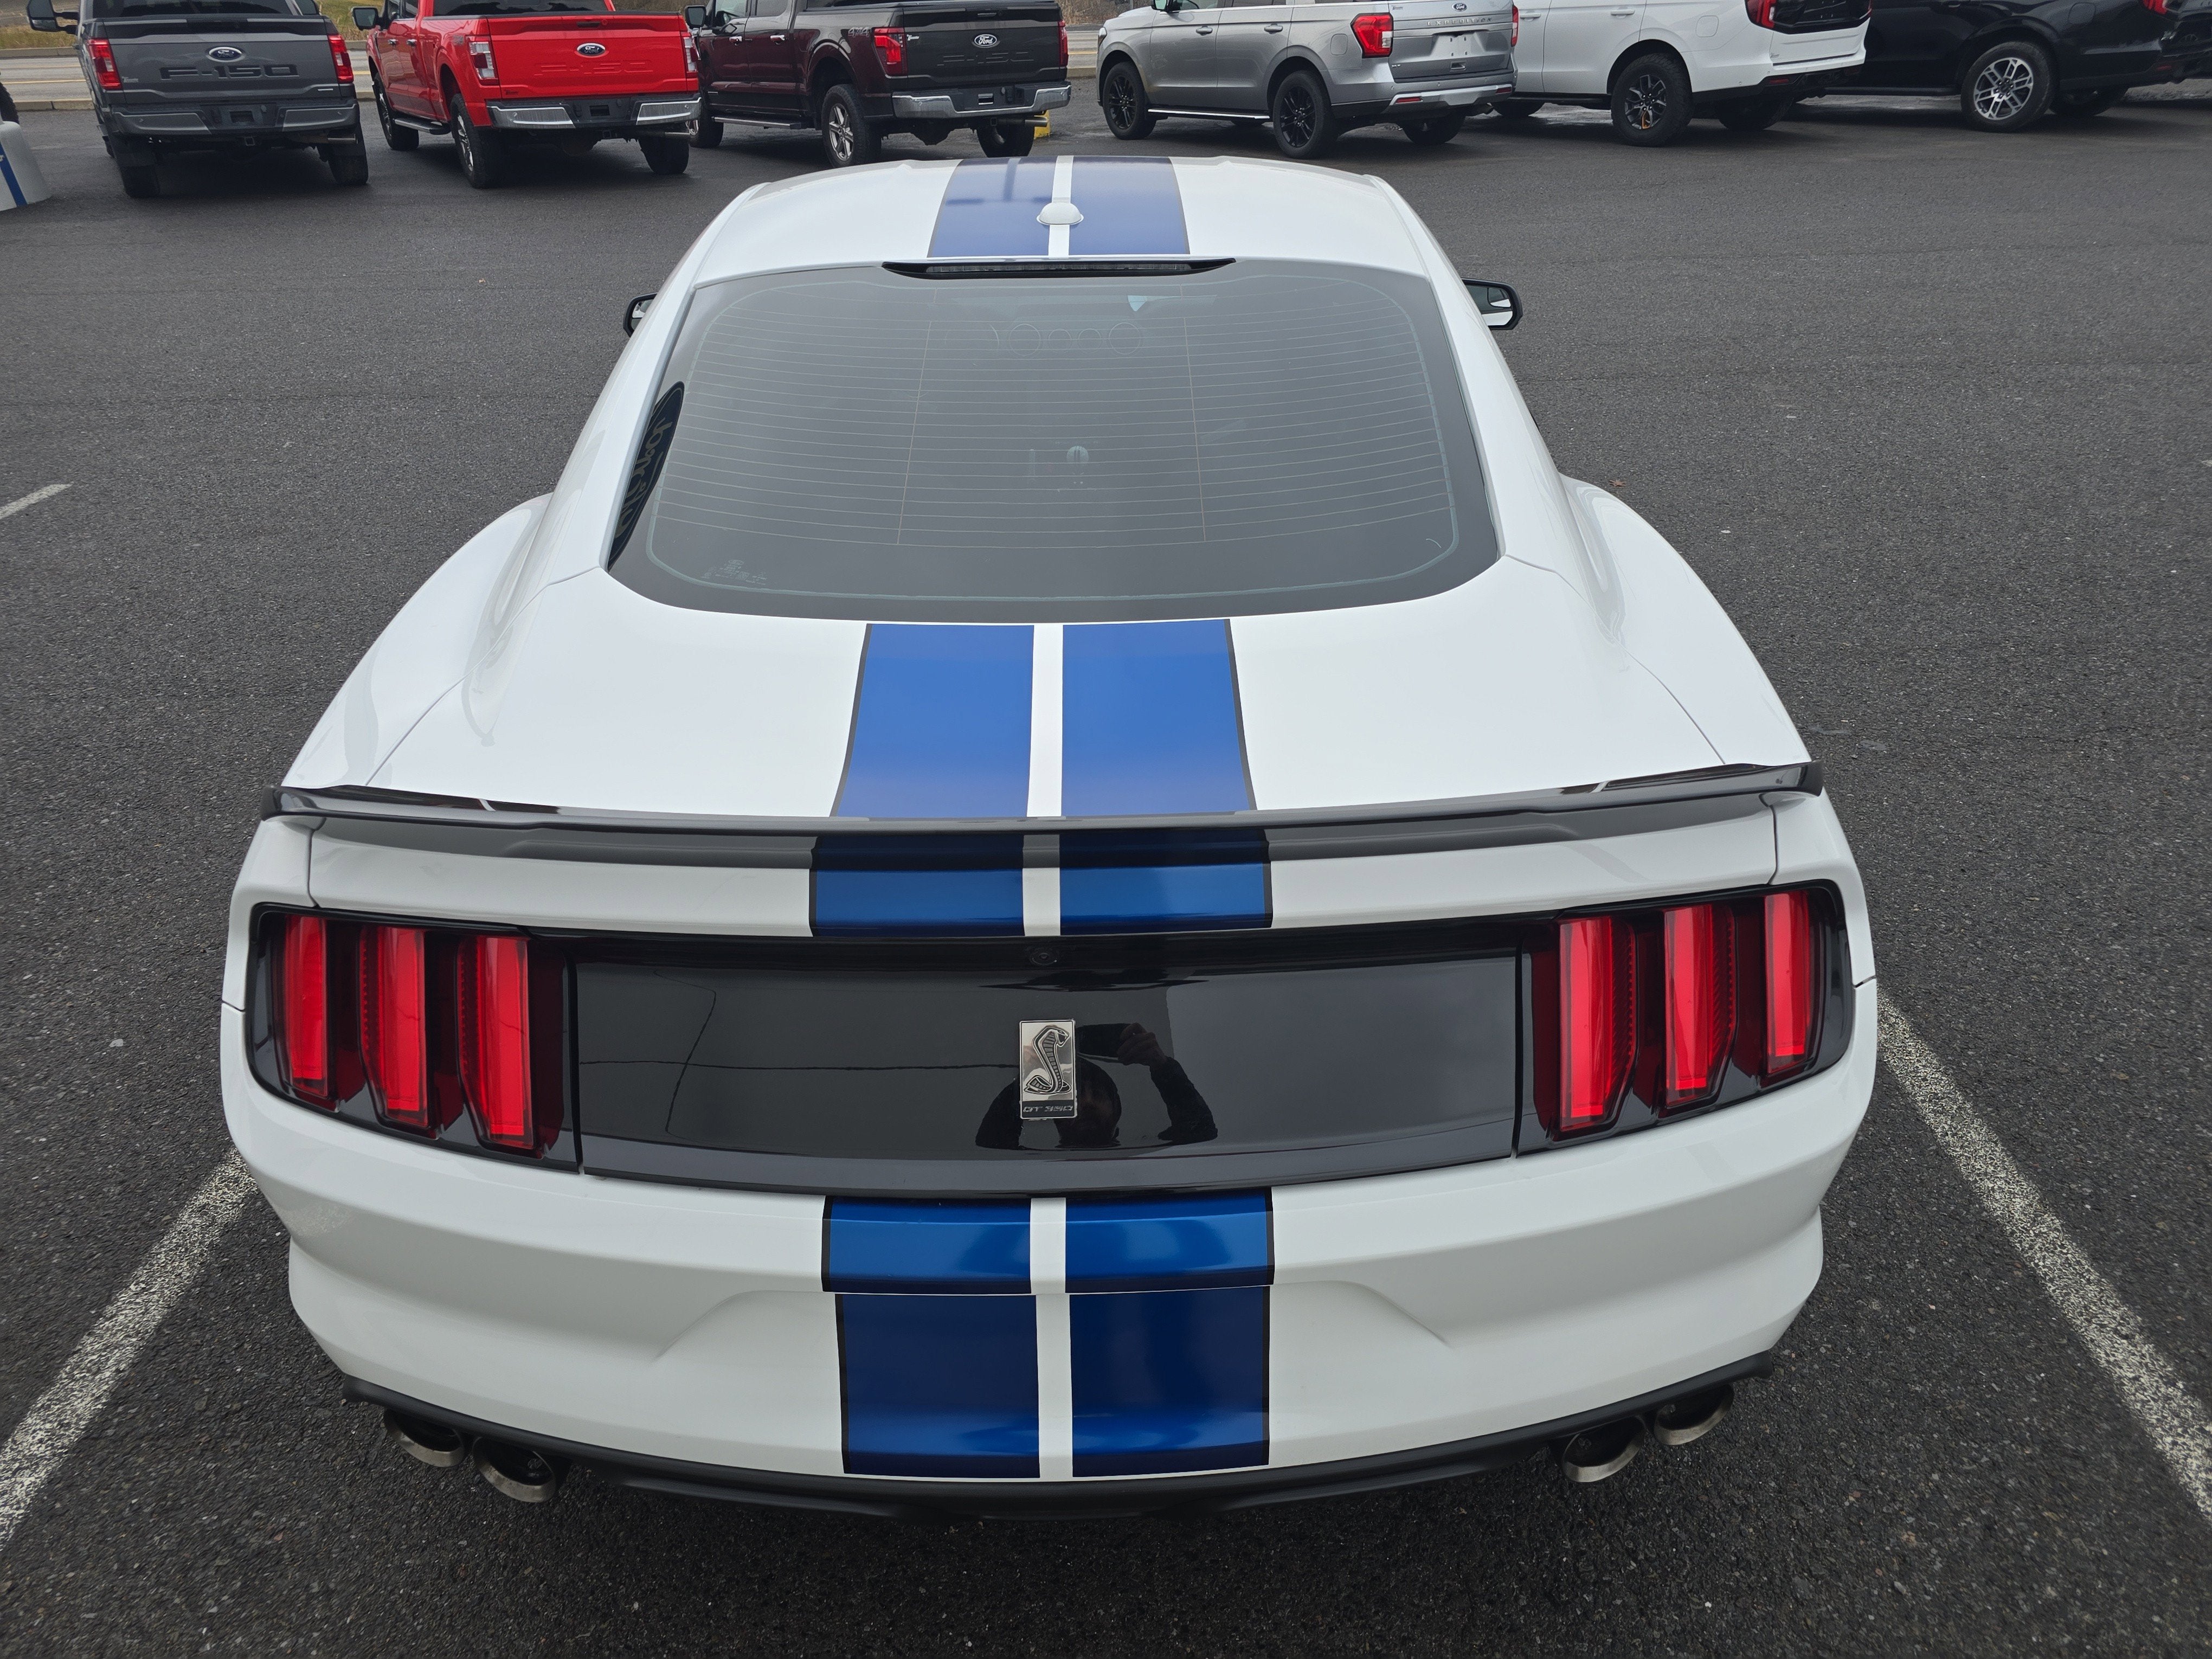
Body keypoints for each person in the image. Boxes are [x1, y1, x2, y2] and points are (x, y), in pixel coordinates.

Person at [974, 1022, 1217, 1149]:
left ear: (1117, 1110)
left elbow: (1200, 1132)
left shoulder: (1143, 1155)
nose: (1088, 1102)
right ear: (1056, 1112)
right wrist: (1032, 1077)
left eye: (1099, 1094)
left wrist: (1162, 1066)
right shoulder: (1030, 1168)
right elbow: (991, 1142)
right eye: (1076, 1094)